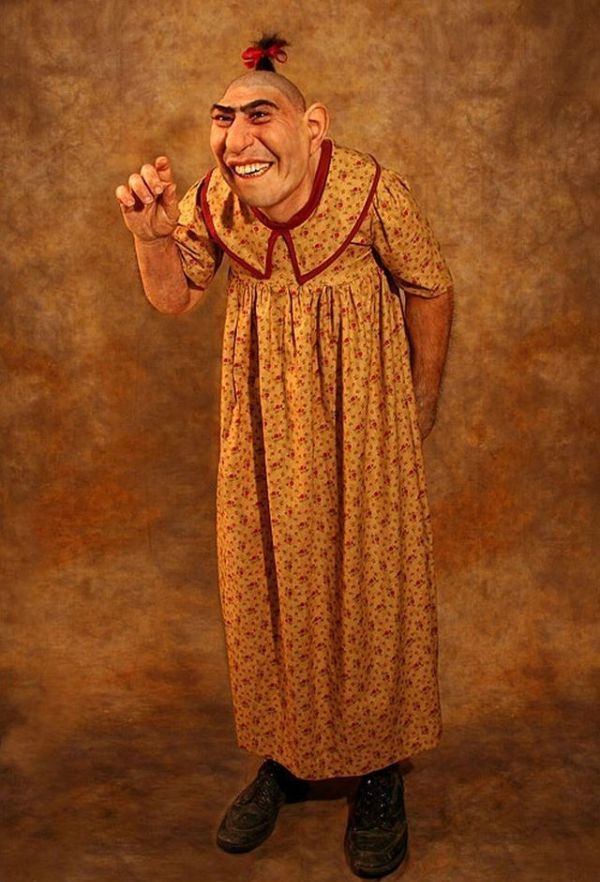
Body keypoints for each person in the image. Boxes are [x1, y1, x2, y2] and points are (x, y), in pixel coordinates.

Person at [115, 33, 454, 880]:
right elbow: (176, 297)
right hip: (264, 434)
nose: (237, 138)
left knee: (368, 584)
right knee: (266, 581)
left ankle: (379, 770)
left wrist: (418, 406)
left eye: (259, 116)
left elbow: (430, 285)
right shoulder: (214, 202)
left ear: (313, 125)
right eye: (222, 120)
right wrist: (151, 238)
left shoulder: (371, 191)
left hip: (364, 426)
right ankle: (286, 754)